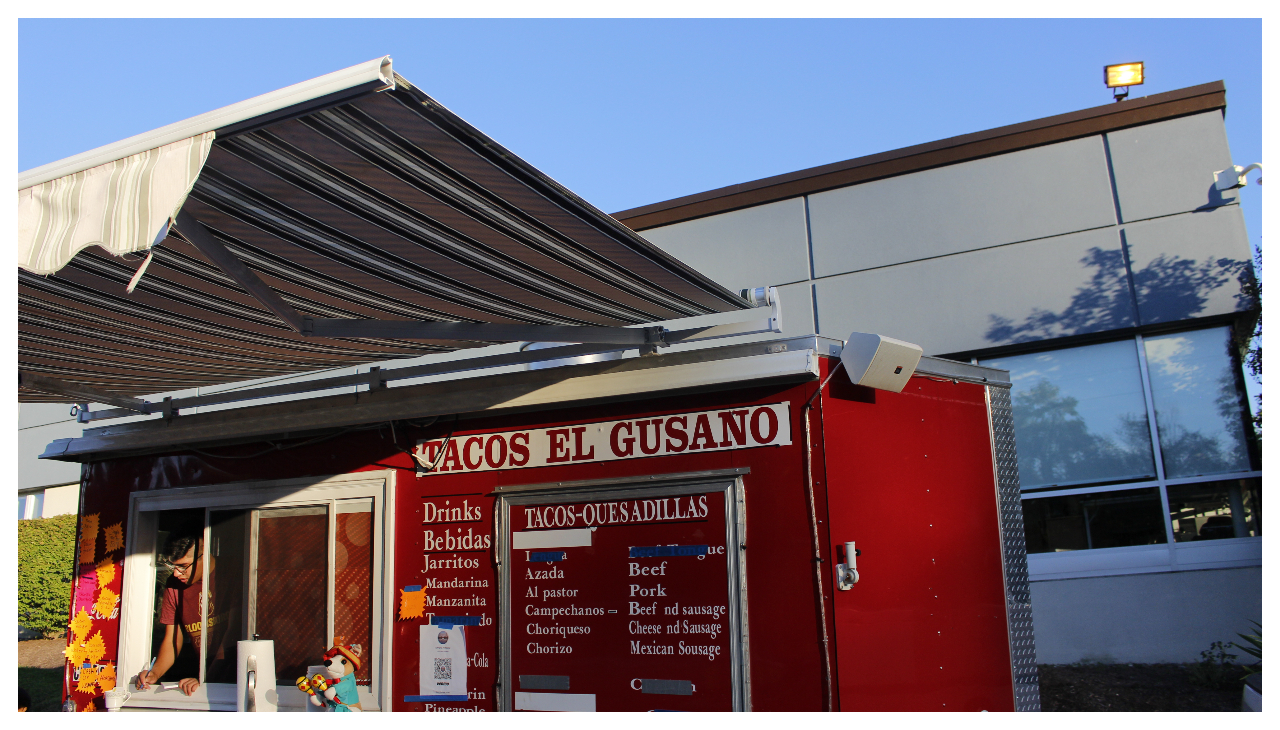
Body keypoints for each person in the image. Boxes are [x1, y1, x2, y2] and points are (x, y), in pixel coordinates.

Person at [135, 528, 235, 696]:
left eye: (182, 566)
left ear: (203, 555)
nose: (176, 573)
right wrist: (155, 673)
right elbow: (172, 640)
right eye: (172, 566)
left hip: (233, 679)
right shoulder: (174, 584)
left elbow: (235, 632)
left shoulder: (232, 573)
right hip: (207, 680)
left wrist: (205, 678)